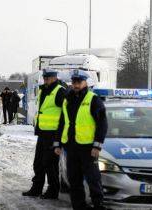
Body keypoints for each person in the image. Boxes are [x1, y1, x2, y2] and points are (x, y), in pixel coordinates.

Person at [54, 70, 107, 210]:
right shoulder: (67, 99)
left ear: (85, 82)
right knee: (74, 179)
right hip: (71, 147)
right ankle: (79, 206)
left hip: (88, 148)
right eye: (74, 82)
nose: (76, 85)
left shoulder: (93, 99)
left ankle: (98, 205)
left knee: (93, 179)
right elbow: (62, 123)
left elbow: (102, 124)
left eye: (79, 82)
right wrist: (57, 143)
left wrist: (97, 146)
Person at [22, 68, 68, 199]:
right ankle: (36, 188)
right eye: (45, 78)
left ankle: (53, 190)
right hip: (43, 133)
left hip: (53, 134)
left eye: (48, 78)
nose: (46, 80)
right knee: (38, 163)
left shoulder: (60, 91)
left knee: (50, 164)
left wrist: (60, 137)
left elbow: (65, 115)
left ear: (55, 77)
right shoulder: (43, 90)